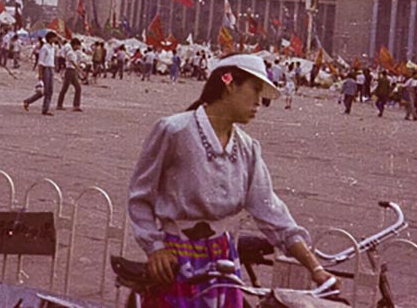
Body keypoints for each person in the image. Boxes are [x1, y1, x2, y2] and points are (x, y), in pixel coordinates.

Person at [127, 54, 336, 306]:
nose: (260, 101)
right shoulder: (173, 131)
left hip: (223, 260)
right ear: (229, 83)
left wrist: (315, 269)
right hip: (174, 261)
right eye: (255, 89)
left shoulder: (248, 148)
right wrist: (155, 248)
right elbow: (140, 198)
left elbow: (271, 212)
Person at [23, 31, 58, 115]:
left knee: (49, 90)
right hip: (45, 68)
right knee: (46, 90)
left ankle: (31, 102)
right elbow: (40, 62)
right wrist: (40, 74)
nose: (55, 39)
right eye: (54, 37)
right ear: (50, 38)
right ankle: (43, 108)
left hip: (51, 68)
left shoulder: (53, 47)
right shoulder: (45, 48)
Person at [57, 37, 83, 112]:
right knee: (65, 88)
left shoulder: (75, 53)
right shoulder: (70, 53)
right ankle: (59, 104)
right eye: (78, 45)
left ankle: (76, 105)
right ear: (74, 45)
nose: (79, 47)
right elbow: (73, 63)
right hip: (69, 71)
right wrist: (79, 70)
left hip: (73, 71)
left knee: (78, 88)